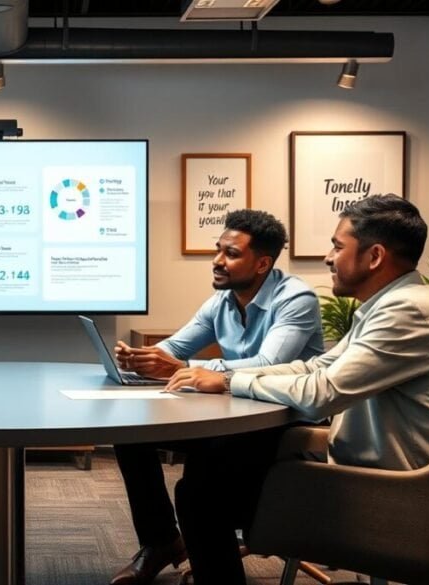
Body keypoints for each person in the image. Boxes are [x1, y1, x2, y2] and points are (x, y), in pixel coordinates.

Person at [166, 195, 429, 584]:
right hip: (373, 469)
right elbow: (315, 367)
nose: (328, 257)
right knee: (212, 466)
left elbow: (322, 392)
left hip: (393, 492)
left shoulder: (405, 311)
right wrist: (225, 378)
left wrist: (228, 379)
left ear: (374, 256)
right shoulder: (389, 304)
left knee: (203, 496)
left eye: (337, 246)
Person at [108, 209, 324, 585]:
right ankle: (161, 542)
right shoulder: (221, 301)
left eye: (231, 254)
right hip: (232, 412)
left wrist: (185, 366)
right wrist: (139, 360)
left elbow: (268, 363)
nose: (217, 261)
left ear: (262, 264)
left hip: (284, 422)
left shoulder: (296, 299)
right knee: (132, 435)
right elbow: (174, 347)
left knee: (200, 487)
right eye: (218, 250)